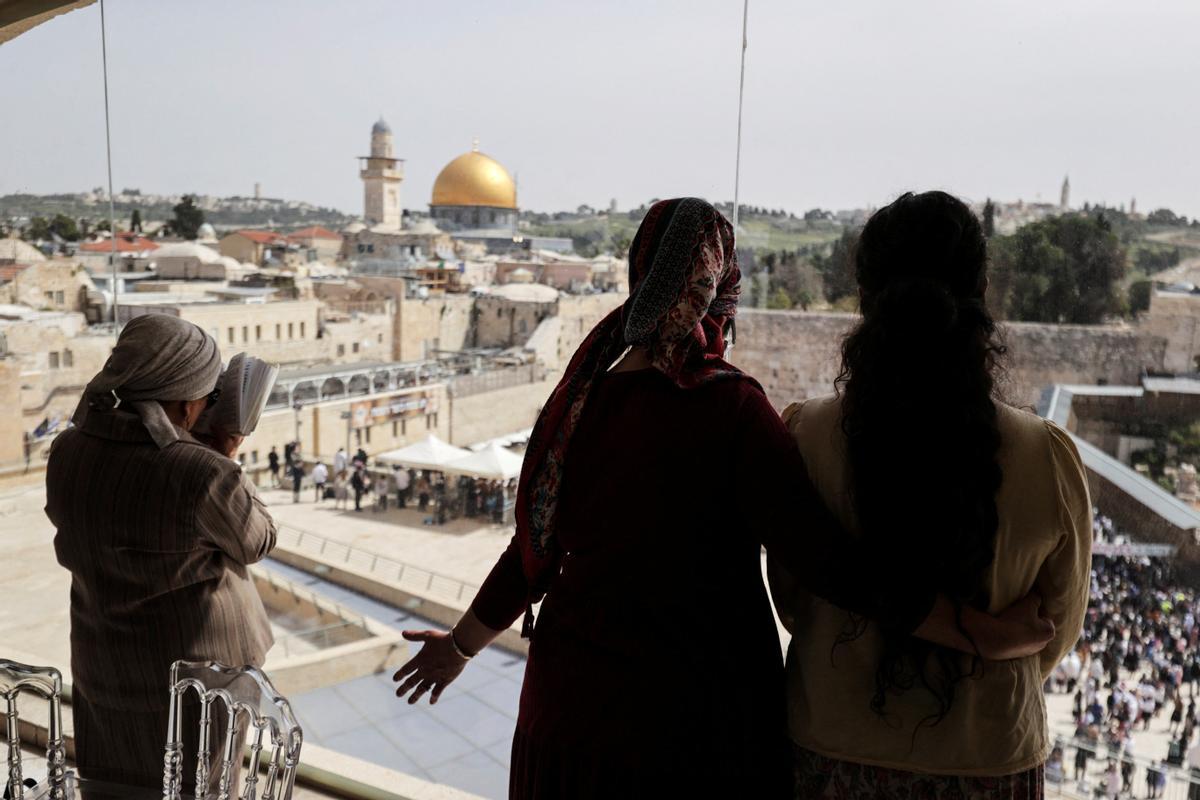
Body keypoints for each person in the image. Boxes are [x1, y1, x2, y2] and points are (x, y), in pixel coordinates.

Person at [392, 197, 1054, 798]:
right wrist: (982, 634)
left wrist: (460, 647)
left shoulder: (580, 400)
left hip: (567, 725)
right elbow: (835, 570)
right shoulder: (730, 411)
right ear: (717, 288)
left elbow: (531, 551)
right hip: (693, 739)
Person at [771, 192, 1092, 797]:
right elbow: (1057, 629)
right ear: (981, 293)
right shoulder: (1047, 456)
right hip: (989, 755)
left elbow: (792, 601)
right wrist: (983, 651)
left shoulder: (805, 436)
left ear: (865, 298)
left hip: (834, 748)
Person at [45, 314, 275, 793]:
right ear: (189, 399)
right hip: (195, 683)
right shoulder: (201, 472)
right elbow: (256, 540)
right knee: (194, 786)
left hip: (105, 664)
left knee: (115, 785)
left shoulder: (68, 449)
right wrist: (223, 455)